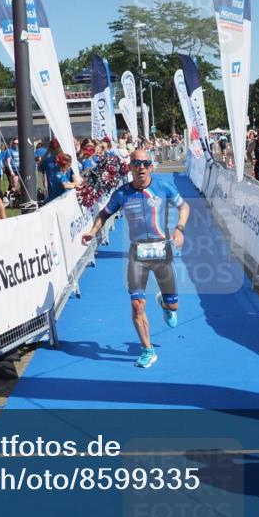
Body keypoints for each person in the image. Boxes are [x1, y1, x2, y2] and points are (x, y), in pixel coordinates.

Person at [81, 149, 191, 368]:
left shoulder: (163, 187)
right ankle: (147, 349)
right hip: (137, 254)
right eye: (136, 163)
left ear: (151, 166)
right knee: (137, 304)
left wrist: (179, 229)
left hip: (162, 251)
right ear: (129, 167)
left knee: (174, 307)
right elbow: (104, 214)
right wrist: (92, 232)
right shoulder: (122, 193)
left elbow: (184, 206)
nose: (141, 167)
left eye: (145, 163)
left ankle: (165, 303)